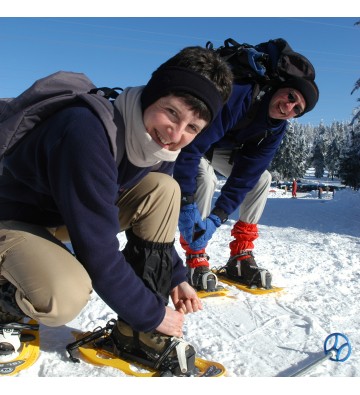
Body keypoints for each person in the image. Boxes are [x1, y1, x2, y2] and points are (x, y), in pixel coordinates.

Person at [0, 46, 233, 373]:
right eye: (172, 113)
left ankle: (133, 334)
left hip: (56, 217)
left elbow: (155, 215)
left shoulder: (154, 148)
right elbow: (97, 253)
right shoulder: (88, 130)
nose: (176, 135)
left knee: (163, 188)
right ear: (153, 94)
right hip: (11, 218)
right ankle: (4, 302)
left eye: (193, 128)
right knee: (63, 294)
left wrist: (175, 277)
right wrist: (153, 314)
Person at [174, 61, 319, 292]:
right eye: (291, 96)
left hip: (219, 149)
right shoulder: (242, 95)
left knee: (262, 179)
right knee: (205, 177)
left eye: (297, 109)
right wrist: (186, 202)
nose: (288, 107)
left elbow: (245, 177)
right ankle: (195, 254)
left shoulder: (276, 129)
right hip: (191, 139)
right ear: (280, 88)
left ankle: (240, 255)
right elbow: (193, 149)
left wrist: (217, 218)